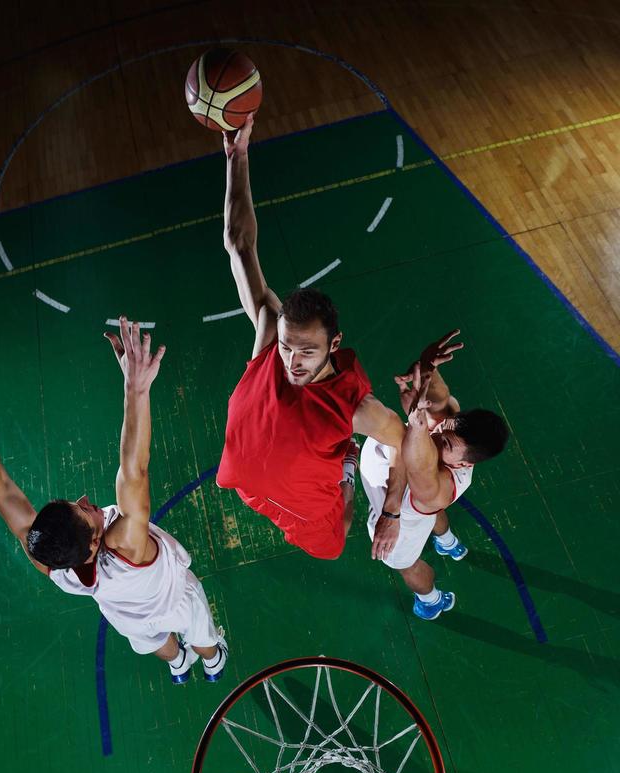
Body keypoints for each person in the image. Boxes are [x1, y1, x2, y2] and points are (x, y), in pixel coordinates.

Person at [0, 317, 227, 683]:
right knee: (202, 634)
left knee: (153, 641)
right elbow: (134, 469)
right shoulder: (126, 545)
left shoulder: (54, 563)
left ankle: (176, 663)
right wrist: (136, 388)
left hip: (129, 618)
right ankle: (212, 659)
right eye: (85, 510)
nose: (85, 499)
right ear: (97, 541)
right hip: (175, 600)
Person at [217, 113, 405, 562]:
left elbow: (403, 441)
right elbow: (238, 242)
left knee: (336, 537)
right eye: (287, 346)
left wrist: (393, 513)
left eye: (307, 351)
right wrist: (236, 156)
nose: (292, 361)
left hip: (309, 508)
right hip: (248, 487)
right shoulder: (268, 339)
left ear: (333, 346)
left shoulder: (356, 408)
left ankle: (345, 466)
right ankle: (339, 461)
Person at [360, 330, 509, 620]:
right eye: (446, 428)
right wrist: (428, 366)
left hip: (399, 526)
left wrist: (417, 422)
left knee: (407, 565)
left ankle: (430, 599)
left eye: (448, 443)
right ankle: (448, 542)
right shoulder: (450, 431)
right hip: (418, 510)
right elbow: (441, 405)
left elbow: (416, 462)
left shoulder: (438, 488)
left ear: (465, 464)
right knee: (429, 515)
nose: (439, 434)